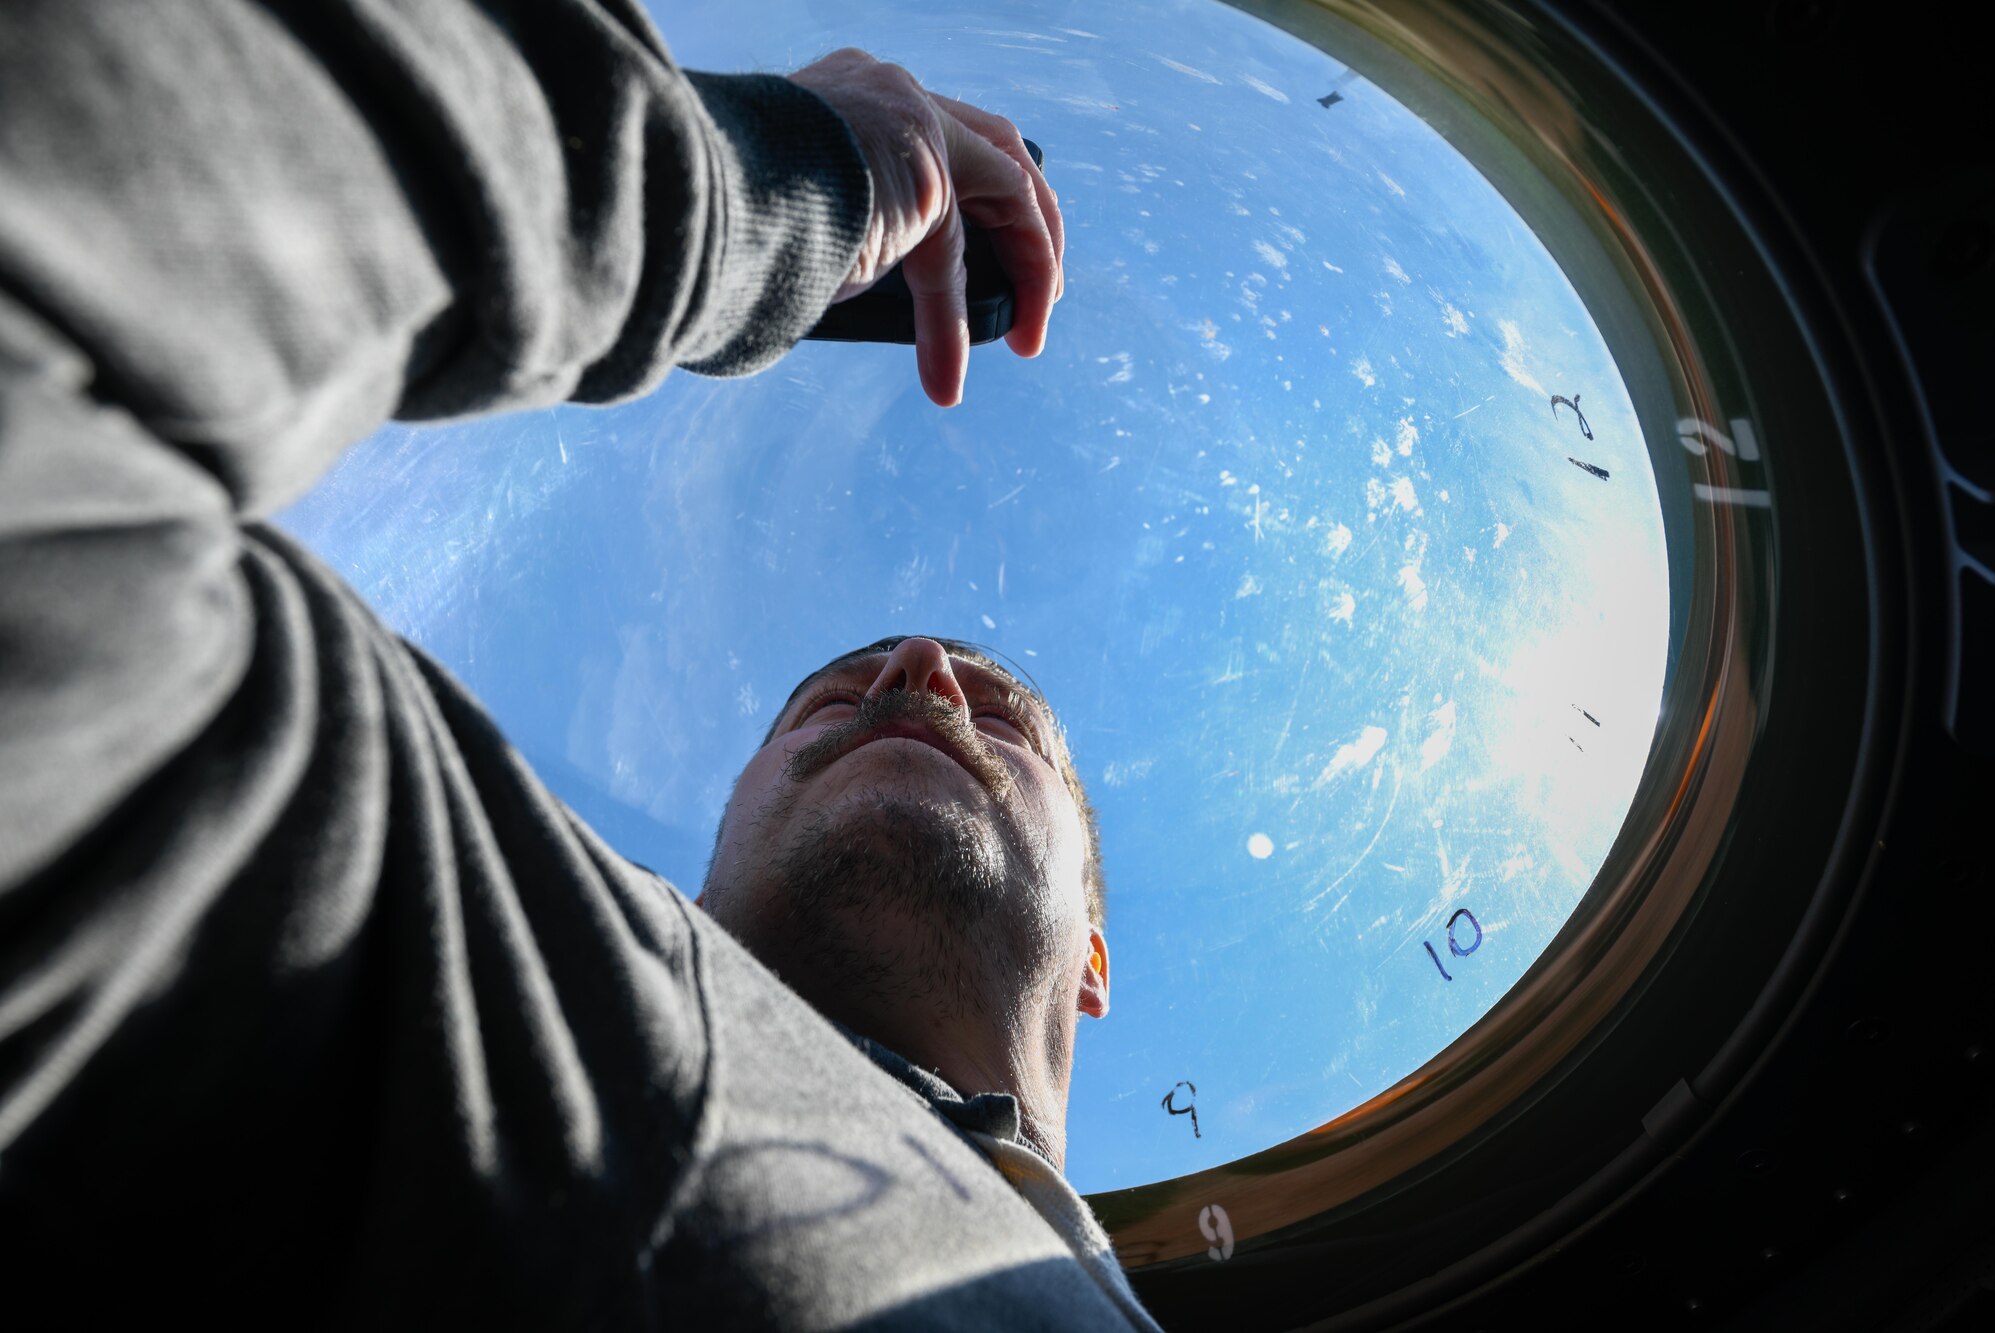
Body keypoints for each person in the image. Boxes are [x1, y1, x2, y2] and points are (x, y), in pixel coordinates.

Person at [0, 1, 1159, 1328]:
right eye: (825, 701)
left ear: (1096, 959)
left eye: (998, 712)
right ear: (707, 858)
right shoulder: (489, 1006)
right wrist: (777, 175)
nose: (915, 674)